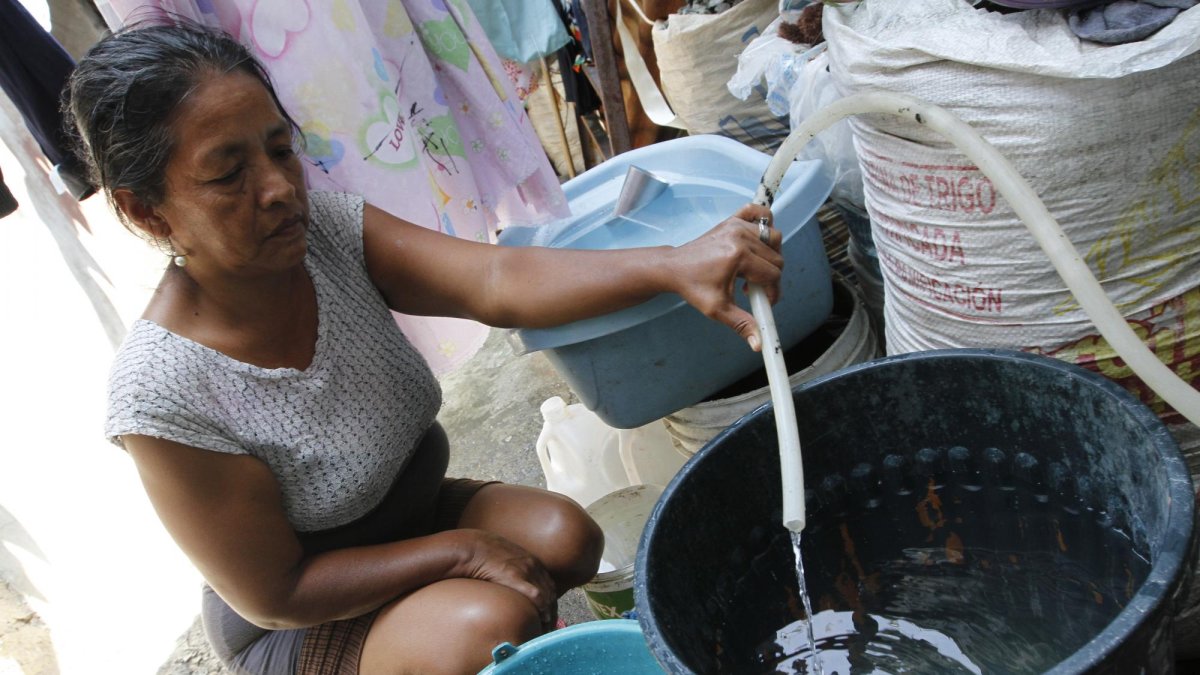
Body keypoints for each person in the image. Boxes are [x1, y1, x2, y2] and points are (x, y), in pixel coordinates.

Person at [67, 21, 783, 675]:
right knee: (491, 622)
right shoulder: (165, 393)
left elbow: (497, 278)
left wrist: (673, 261)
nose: (280, 188)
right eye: (229, 174)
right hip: (310, 615)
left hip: (416, 517)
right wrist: (466, 552)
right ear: (142, 206)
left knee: (564, 537)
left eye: (280, 148)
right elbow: (279, 591)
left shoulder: (328, 234)